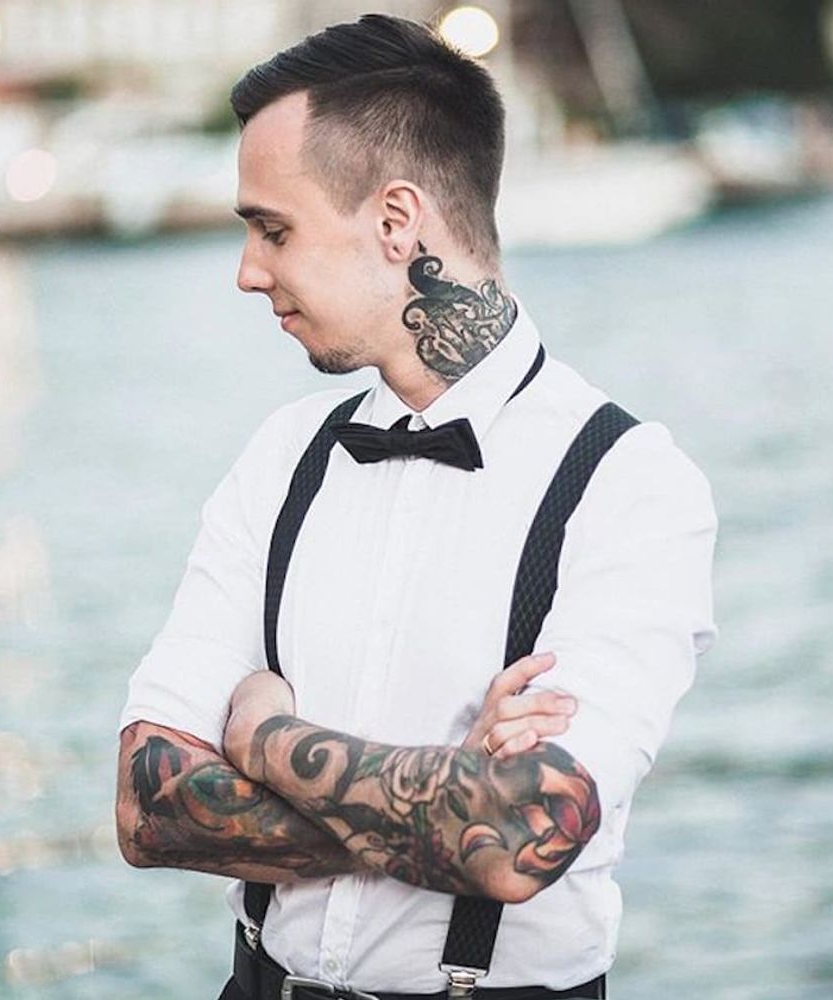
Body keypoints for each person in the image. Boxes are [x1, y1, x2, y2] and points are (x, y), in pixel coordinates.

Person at [115, 13, 717, 1000]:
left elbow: (518, 832)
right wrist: (443, 802)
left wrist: (261, 740)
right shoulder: (281, 458)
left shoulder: (628, 483)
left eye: (274, 229)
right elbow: (151, 808)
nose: (248, 271)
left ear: (398, 222)